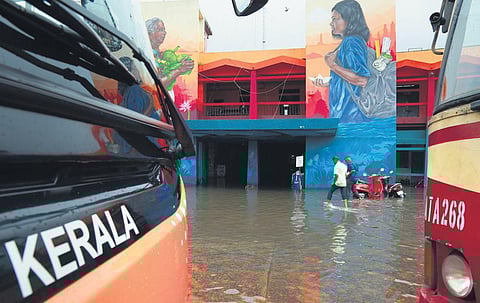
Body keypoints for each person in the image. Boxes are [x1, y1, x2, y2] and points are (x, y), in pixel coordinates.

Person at [313, 0, 371, 123]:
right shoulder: (349, 42)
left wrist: (332, 65)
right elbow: (349, 78)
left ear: (349, 20)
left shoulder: (351, 43)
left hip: (350, 116)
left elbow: (362, 79)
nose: (331, 23)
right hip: (347, 115)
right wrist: (329, 83)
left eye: (335, 19)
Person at [145, 17, 194, 99]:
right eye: (160, 30)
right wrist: (179, 70)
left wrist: (179, 64)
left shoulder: (160, 55)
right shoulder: (146, 55)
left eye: (164, 30)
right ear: (149, 33)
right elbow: (154, 85)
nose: (164, 33)